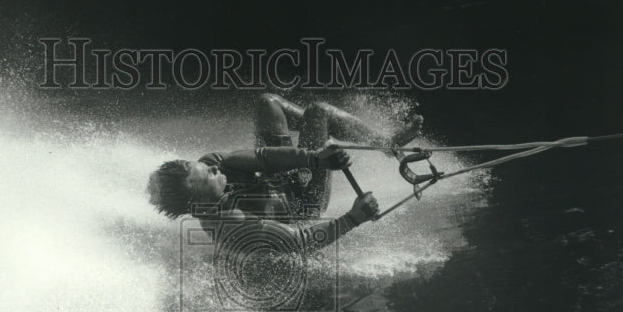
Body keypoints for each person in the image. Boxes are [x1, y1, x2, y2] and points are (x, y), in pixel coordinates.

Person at [147, 93, 422, 252]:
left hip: (281, 178)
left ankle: (387, 144)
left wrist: (316, 159)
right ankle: (326, 128)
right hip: (302, 207)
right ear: (197, 201)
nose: (213, 167)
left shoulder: (212, 162)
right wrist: (353, 218)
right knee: (320, 116)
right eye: (207, 174)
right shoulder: (230, 225)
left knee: (273, 103)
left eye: (207, 167)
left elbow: (262, 159)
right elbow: (299, 241)